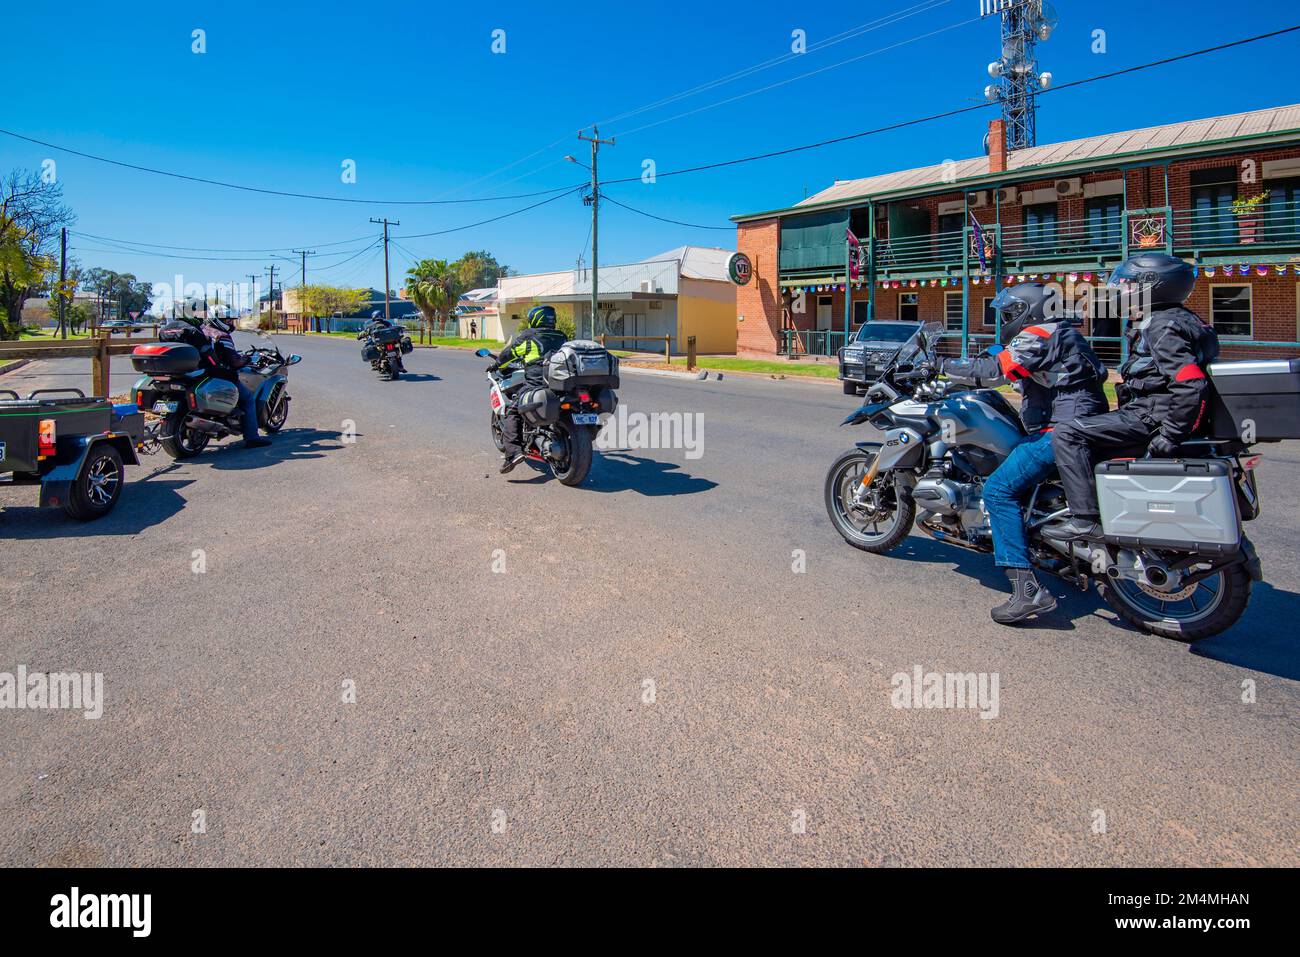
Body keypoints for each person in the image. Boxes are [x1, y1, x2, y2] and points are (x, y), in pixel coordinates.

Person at [941, 282, 1109, 623]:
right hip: (1078, 426)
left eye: (1008, 314)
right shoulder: (1060, 333)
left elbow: (992, 372)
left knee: (998, 489)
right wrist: (984, 357)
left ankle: (1027, 590)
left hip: (1060, 430)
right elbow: (1008, 364)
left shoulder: (1040, 333)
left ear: (1027, 312)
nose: (1004, 320)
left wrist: (941, 364)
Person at [1046, 253, 1219, 542]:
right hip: (1155, 412)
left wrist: (1172, 435)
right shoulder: (1181, 319)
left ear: (1150, 287)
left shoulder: (1162, 326)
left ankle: (1085, 519)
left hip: (1152, 414)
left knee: (1067, 434)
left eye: (1128, 285)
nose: (1122, 292)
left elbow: (1190, 384)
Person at [489, 305, 568, 473]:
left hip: (537, 384)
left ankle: (513, 453)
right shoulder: (562, 337)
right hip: (561, 386)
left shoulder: (530, 336)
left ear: (535, 319)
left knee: (513, 410)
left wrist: (496, 364)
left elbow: (510, 353)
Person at [205, 310, 270, 449]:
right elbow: (235, 362)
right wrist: (246, 359)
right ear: (218, 319)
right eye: (227, 320)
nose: (230, 323)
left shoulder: (203, 331)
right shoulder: (222, 336)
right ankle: (252, 437)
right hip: (222, 374)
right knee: (248, 399)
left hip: (205, 373)